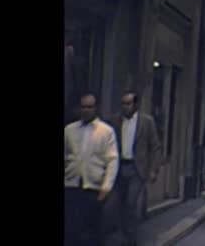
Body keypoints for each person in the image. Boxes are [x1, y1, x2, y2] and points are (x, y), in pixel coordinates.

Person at [65, 93, 119, 246]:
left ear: (96, 108)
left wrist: (106, 187)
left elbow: (112, 160)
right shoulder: (69, 130)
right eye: (83, 107)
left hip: (93, 187)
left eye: (89, 107)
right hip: (71, 185)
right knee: (71, 229)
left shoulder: (106, 131)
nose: (86, 110)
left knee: (92, 230)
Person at [110, 91, 162, 246]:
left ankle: (131, 239)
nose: (125, 107)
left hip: (136, 169)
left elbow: (155, 146)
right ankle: (125, 234)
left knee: (131, 203)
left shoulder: (146, 122)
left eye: (128, 103)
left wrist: (153, 169)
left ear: (136, 105)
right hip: (119, 168)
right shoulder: (115, 121)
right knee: (119, 204)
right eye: (123, 104)